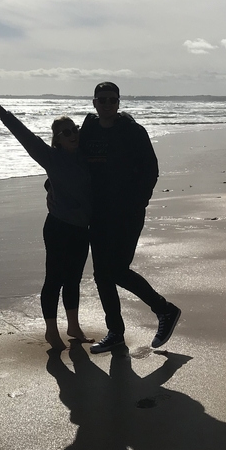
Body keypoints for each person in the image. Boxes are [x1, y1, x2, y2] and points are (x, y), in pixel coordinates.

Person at [0, 98, 94, 350]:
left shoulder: (87, 157)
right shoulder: (51, 157)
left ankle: (73, 326)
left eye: (75, 129)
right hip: (58, 228)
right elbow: (26, 136)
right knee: (54, 279)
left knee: (74, 279)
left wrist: (49, 186)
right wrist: (1, 113)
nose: (73, 134)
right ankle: (51, 331)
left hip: (81, 229)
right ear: (58, 140)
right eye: (66, 132)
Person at [78, 82, 181, 354]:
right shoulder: (89, 129)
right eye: (102, 99)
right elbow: (75, 161)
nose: (108, 103)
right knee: (102, 275)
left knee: (117, 270)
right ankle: (115, 332)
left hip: (127, 214)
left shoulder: (133, 132)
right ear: (94, 103)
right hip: (98, 213)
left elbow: (151, 170)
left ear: (119, 101)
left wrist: (137, 203)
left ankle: (165, 310)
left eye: (113, 99)